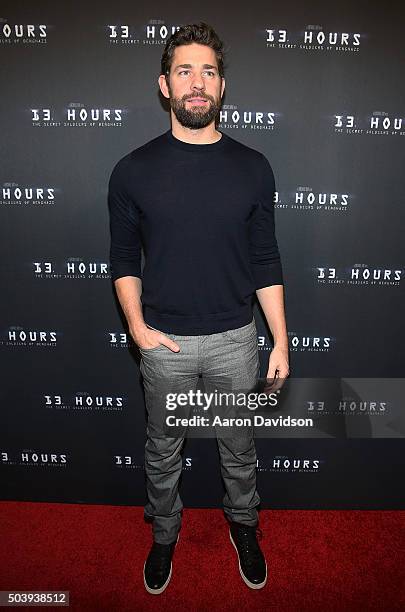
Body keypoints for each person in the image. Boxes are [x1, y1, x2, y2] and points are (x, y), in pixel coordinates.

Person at [108, 22, 289, 595]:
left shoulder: (253, 166)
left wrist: (280, 338)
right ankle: (164, 535)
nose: (196, 82)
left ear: (222, 86)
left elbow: (265, 259)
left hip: (238, 337)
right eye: (184, 70)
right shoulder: (132, 170)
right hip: (166, 343)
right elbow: (122, 259)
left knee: (239, 449)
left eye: (207, 71)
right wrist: (138, 329)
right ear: (164, 85)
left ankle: (245, 527)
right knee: (163, 451)